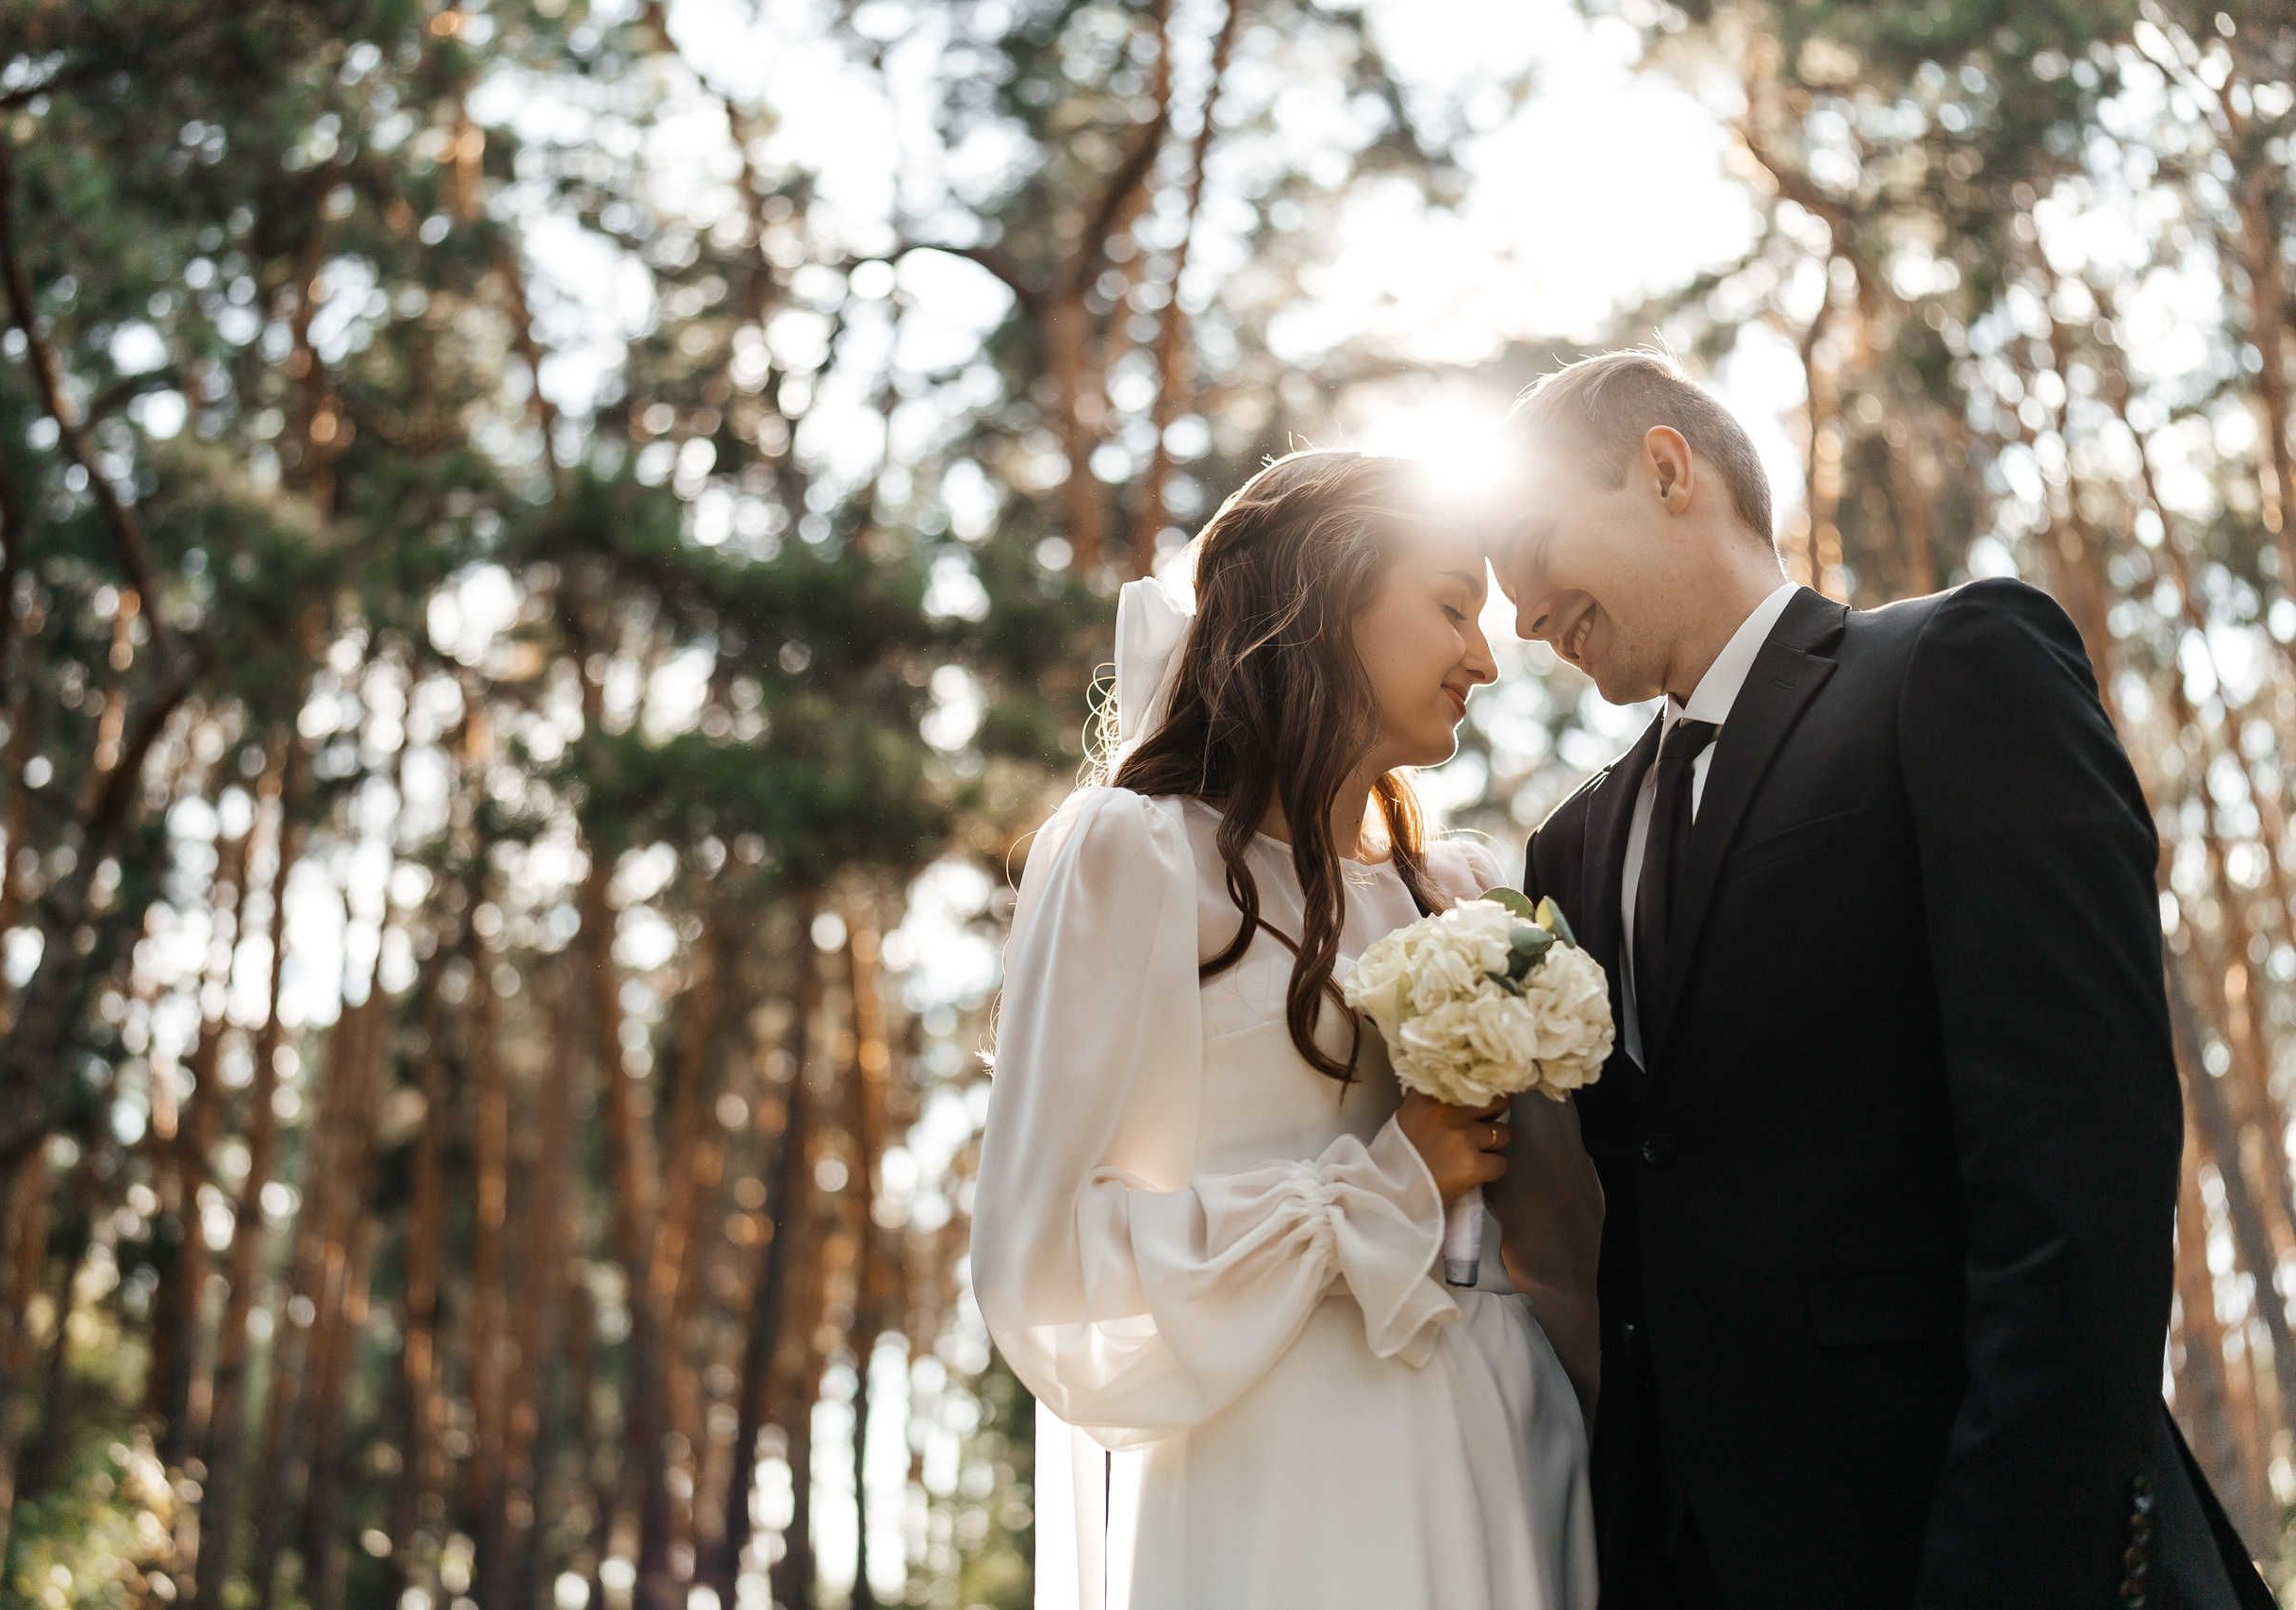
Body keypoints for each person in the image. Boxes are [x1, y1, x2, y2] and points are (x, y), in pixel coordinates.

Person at [1489, 346, 2275, 1610]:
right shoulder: (1569, 846)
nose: (1520, 614)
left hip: (1958, 1534)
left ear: (1666, 465)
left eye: (1529, 548)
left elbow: (2081, 1164)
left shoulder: (1953, 667)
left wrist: (2010, 1566)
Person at [973, 450, 1604, 1610]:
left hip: (1506, 1439)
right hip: (1284, 1467)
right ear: (1326, 595)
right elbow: (1041, 1260)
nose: (1485, 656)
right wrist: (1376, 1190)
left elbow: (1561, 1234)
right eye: (1452, 606)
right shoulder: (1134, 856)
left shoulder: (1457, 889)